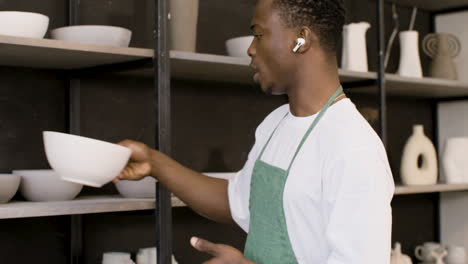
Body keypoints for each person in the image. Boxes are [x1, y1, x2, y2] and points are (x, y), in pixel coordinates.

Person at [114, 0, 395, 263]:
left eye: (258, 35)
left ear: (302, 40)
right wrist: (153, 163)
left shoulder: (354, 147)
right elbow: (236, 201)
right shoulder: (275, 124)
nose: (250, 48)